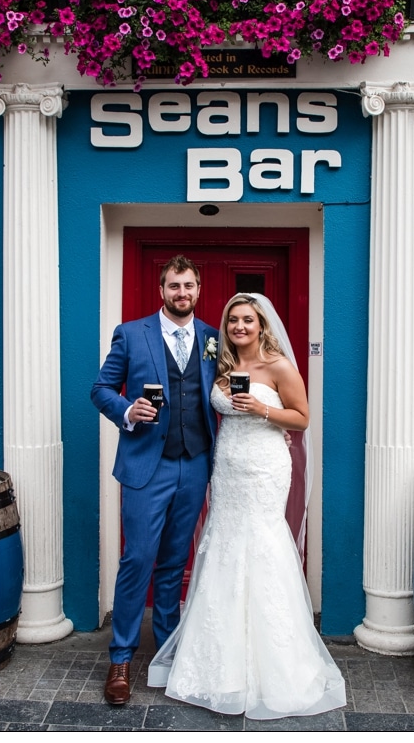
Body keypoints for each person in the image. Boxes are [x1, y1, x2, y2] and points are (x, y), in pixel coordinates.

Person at [147, 293, 347, 720]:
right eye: (233, 320)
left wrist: (261, 408)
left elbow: (303, 417)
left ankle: (274, 667)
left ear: (261, 325)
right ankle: (217, 667)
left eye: (247, 320)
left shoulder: (277, 366)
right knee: (224, 549)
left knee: (262, 548)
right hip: (228, 468)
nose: (239, 326)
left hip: (264, 469)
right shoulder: (218, 365)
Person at [90, 255, 219, 706]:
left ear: (198, 290)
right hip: (148, 464)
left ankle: (168, 651)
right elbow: (101, 389)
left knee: (172, 563)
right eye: (173, 286)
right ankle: (121, 656)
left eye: (188, 286)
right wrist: (127, 410)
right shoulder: (131, 334)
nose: (181, 293)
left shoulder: (212, 338)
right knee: (137, 560)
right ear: (161, 291)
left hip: (195, 464)